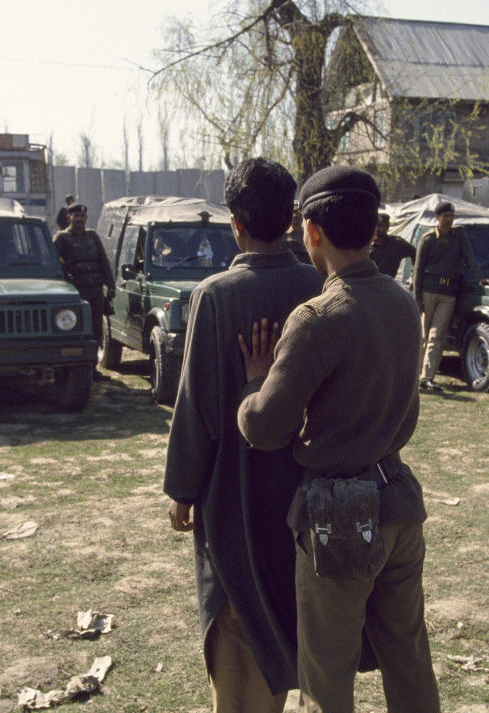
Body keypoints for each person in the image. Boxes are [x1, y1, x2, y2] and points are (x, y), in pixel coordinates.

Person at [236, 165, 440, 713]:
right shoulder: (401, 302)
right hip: (398, 498)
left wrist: (256, 381)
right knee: (408, 660)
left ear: (310, 232)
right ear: (374, 231)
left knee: (326, 679)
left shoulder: (317, 317)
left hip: (340, 513)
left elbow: (264, 427)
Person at [163, 157, 322, 713]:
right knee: (289, 603)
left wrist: (183, 488)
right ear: (291, 219)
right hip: (303, 488)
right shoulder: (319, 285)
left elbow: (197, 405)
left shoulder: (215, 295)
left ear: (235, 223)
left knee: (235, 612)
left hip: (233, 490)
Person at [412, 201, 489, 391]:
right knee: (422, 335)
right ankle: (413, 376)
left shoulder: (459, 237)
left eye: (451, 215)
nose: (449, 219)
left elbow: (469, 259)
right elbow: (418, 269)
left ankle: (427, 377)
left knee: (437, 336)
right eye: (445, 215)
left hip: (448, 292)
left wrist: (480, 278)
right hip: (428, 290)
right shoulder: (428, 239)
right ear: (437, 217)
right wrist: (417, 297)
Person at [52, 203, 115, 381]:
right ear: (68, 217)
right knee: (76, 330)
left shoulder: (92, 235)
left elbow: (103, 260)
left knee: (96, 330)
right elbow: (54, 263)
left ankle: (92, 369)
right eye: (76, 216)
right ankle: (71, 370)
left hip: (95, 289)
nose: (80, 219)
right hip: (76, 292)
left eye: (82, 216)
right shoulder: (61, 238)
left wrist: (111, 286)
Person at [370, 211, 415, 278]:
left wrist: (414, 275)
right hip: (366, 285)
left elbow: (416, 254)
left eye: (379, 225)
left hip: (387, 285)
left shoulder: (397, 244)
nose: (376, 229)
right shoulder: (365, 246)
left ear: (387, 227)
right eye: (374, 225)